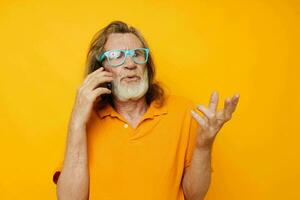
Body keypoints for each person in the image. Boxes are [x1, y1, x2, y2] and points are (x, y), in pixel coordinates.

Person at [52, 21, 240, 200]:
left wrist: (204, 145)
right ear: (100, 70)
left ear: (146, 65)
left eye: (137, 54)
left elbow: (194, 195)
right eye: (117, 56)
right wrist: (77, 122)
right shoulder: (86, 121)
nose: (130, 63)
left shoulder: (183, 111)